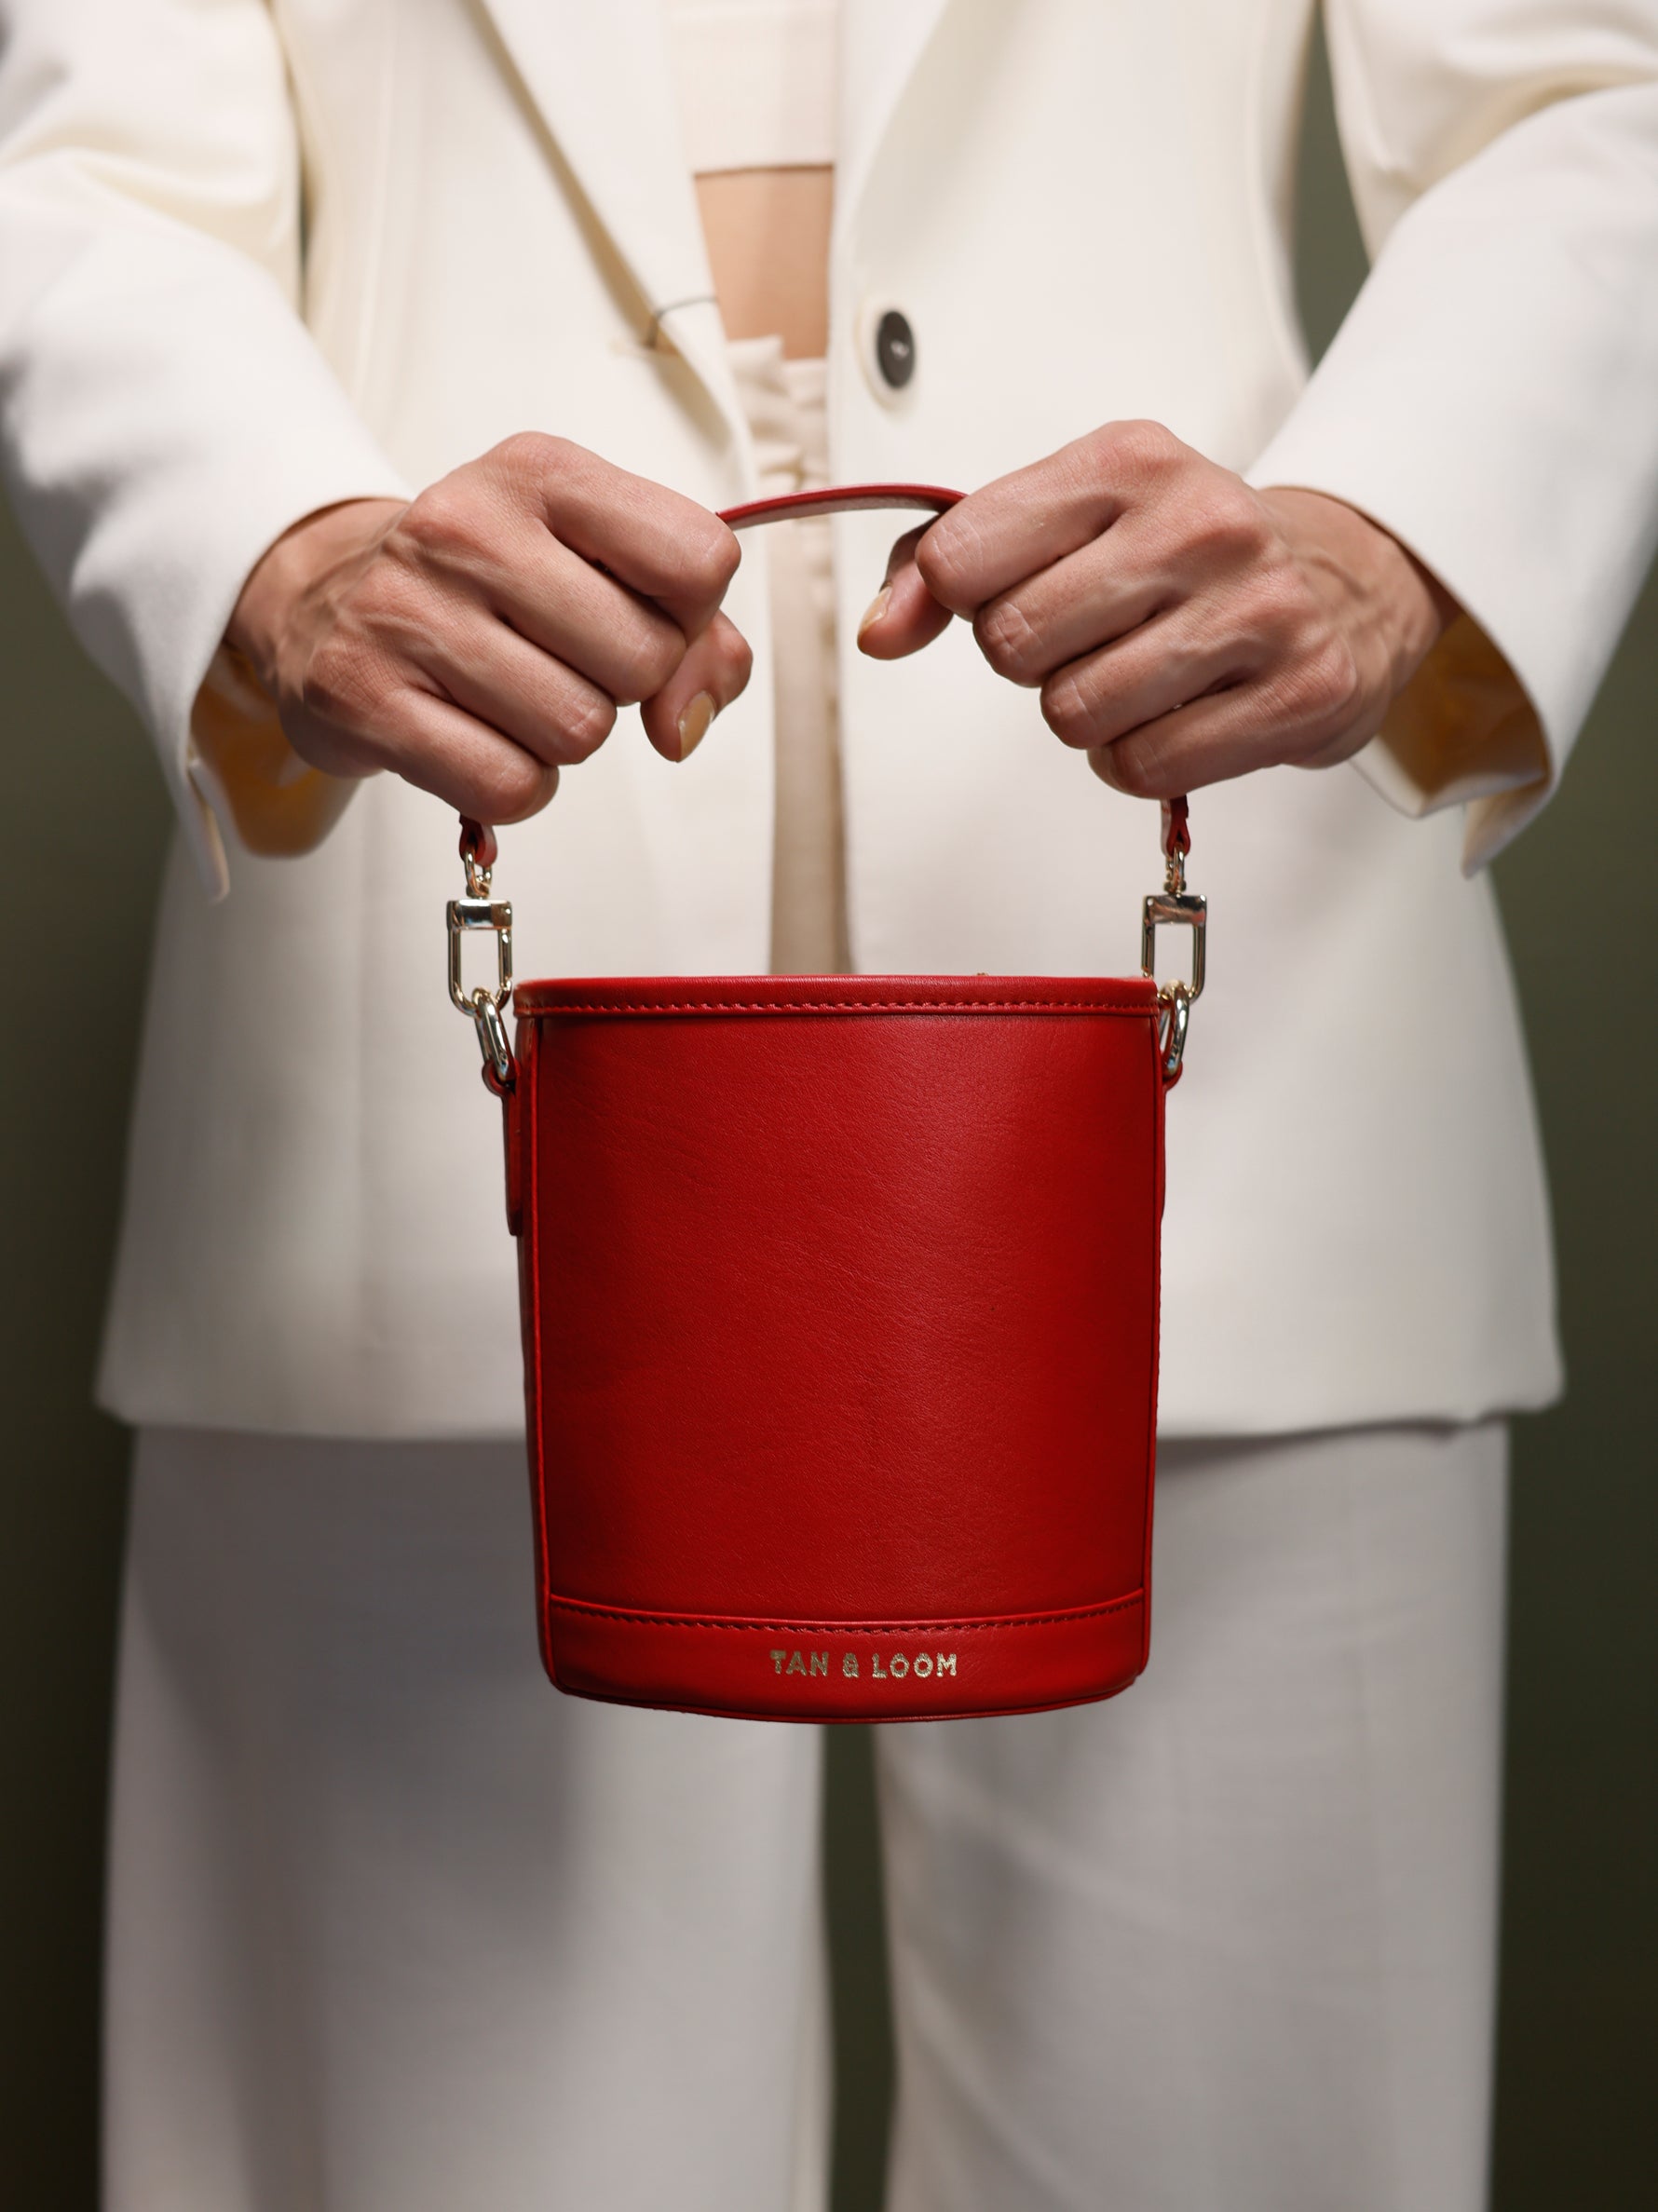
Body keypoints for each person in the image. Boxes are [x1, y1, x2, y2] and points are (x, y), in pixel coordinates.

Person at [3, 2, 1656, 2205]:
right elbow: (78, 174)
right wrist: (272, 544)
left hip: (1230, 1048)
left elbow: (1594, 101)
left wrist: (1388, 538)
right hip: (423, 1055)